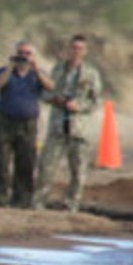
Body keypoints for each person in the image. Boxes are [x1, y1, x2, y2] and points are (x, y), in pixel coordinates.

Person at [35, 34, 105, 212]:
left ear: (85, 51)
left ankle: (71, 204)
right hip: (58, 125)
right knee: (47, 166)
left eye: (79, 48)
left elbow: (96, 101)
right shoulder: (58, 70)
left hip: (79, 128)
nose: (75, 52)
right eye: (73, 48)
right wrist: (55, 98)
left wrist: (79, 106)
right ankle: (39, 202)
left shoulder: (91, 73)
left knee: (78, 170)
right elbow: (46, 92)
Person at [0, 40, 49, 209]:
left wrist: (35, 69)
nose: (24, 56)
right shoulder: (4, 72)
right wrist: (10, 67)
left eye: (27, 53)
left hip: (28, 123)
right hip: (6, 120)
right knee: (0, 159)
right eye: (21, 52)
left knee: (26, 161)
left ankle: (22, 199)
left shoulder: (37, 74)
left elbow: (50, 87)